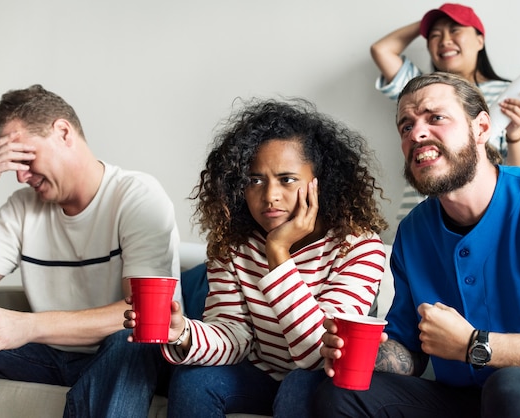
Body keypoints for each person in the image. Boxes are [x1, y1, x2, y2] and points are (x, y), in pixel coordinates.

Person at [312, 72, 520, 417]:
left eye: (435, 118)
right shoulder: (414, 232)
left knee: (513, 387)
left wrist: (475, 344)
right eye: (405, 127)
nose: (417, 133)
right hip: (467, 400)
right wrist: (364, 353)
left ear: (481, 129)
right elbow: (411, 350)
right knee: (339, 393)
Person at [124, 98, 388, 417]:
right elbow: (233, 334)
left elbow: (316, 354)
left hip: (318, 380)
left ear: (320, 183)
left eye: (286, 179)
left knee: (299, 385)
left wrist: (277, 252)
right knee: (193, 379)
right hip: (258, 375)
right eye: (255, 180)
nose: (270, 196)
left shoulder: (358, 246)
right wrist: (182, 333)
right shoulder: (233, 244)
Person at [0, 85, 180, 418]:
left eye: (23, 157)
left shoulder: (136, 195)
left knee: (127, 341)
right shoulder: (21, 209)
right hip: (45, 357)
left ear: (62, 132)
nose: (19, 175)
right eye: (10, 164)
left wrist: (27, 326)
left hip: (126, 354)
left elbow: (143, 317)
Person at [370, 3, 520, 221]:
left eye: (455, 30)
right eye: (435, 35)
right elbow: (381, 50)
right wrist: (426, 24)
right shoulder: (419, 93)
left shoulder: (509, 94)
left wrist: (514, 132)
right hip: (418, 221)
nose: (444, 41)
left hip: (481, 222)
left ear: (480, 40)